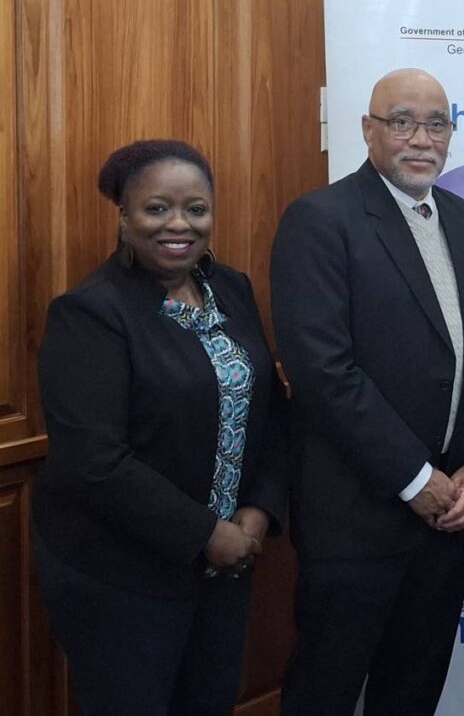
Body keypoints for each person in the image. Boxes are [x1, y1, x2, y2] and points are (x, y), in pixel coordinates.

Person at [271, 68, 464, 715]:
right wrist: (414, 476)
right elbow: (323, 371)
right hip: (357, 516)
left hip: (450, 514)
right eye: (402, 121)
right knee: (327, 687)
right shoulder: (320, 220)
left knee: (413, 688)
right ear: (368, 130)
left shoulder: (461, 219)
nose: (421, 138)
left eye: (436, 123)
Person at [32, 140, 288, 716]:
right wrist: (206, 535)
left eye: (196, 209)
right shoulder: (90, 313)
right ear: (123, 217)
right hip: (121, 575)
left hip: (228, 565)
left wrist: (259, 510)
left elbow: (270, 411)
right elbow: (92, 463)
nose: (179, 224)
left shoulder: (233, 288)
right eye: (157, 209)